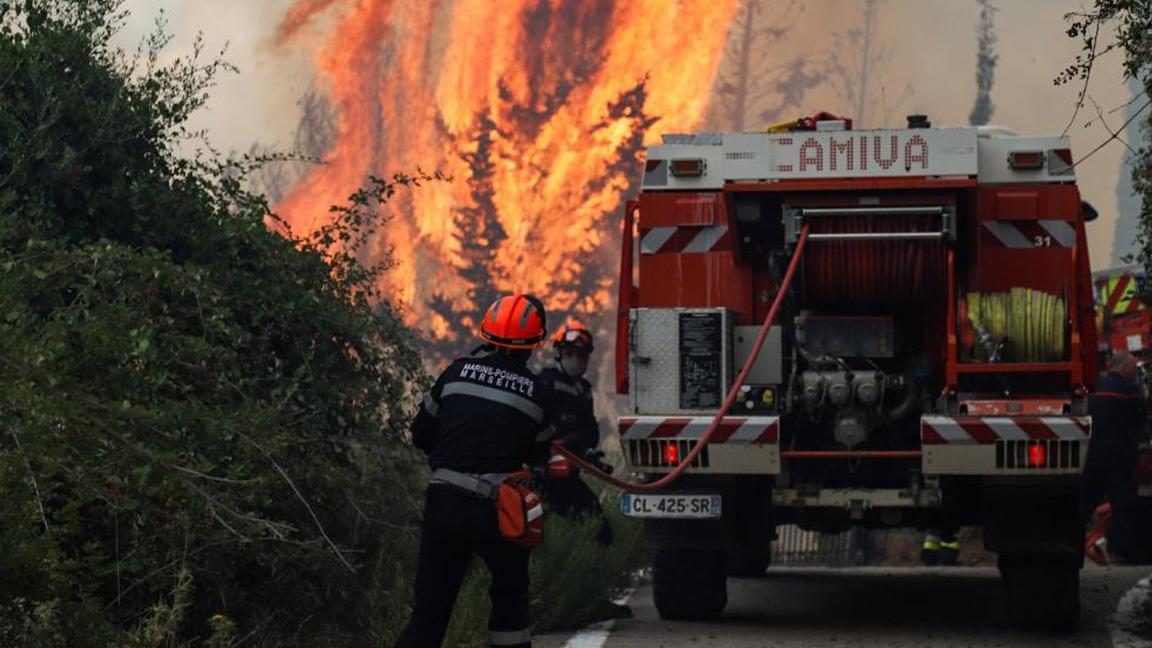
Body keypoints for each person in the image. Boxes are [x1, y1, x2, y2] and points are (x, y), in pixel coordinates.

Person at [395, 294, 554, 648]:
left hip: (444, 504)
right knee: (510, 596)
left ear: (487, 335)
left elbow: (420, 433)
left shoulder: (454, 372)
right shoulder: (537, 394)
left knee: (430, 609)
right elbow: (539, 455)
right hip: (499, 512)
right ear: (534, 343)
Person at [536, 321, 613, 545]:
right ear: (559, 354)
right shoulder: (545, 382)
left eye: (582, 355)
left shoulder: (584, 391)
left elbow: (591, 431)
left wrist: (576, 444)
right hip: (540, 477)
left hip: (568, 475)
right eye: (570, 353)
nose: (577, 360)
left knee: (599, 528)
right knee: (532, 533)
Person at [1083, 351, 1145, 563]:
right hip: (1120, 457)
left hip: (1093, 455)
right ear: (1125, 368)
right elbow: (1140, 419)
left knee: (1086, 501)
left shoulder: (1095, 388)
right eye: (1133, 369)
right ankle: (1114, 550)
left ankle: (1070, 541)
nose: (1135, 372)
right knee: (1124, 505)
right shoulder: (1130, 390)